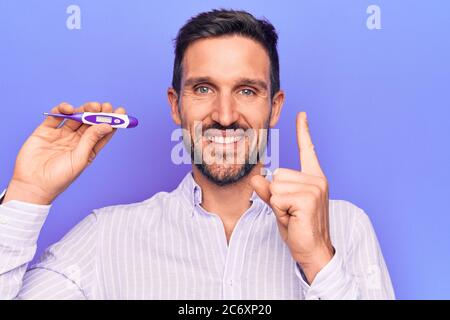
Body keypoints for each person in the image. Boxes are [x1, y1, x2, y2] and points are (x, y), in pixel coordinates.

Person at [0, 9, 394, 299]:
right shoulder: (106, 238)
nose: (224, 116)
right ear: (176, 105)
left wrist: (319, 263)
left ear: (275, 107)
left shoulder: (344, 228)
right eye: (204, 88)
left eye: (246, 90)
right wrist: (27, 194)